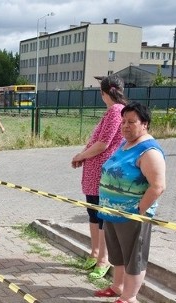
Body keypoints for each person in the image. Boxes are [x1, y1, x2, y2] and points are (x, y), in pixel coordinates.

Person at [94, 102, 166, 303]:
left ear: (145, 124)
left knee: (134, 257)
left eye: (131, 122)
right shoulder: (125, 144)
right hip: (112, 212)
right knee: (118, 254)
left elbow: (158, 186)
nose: (125, 126)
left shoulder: (149, 151)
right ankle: (118, 287)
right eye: (123, 121)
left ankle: (130, 298)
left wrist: (137, 212)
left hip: (131, 216)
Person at [71, 75, 127, 280]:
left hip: (103, 172)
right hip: (95, 171)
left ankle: (103, 258)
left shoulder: (116, 111)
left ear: (103, 93)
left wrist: (80, 156)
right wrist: (84, 157)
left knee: (102, 218)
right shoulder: (113, 111)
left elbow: (103, 143)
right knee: (94, 214)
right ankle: (95, 252)